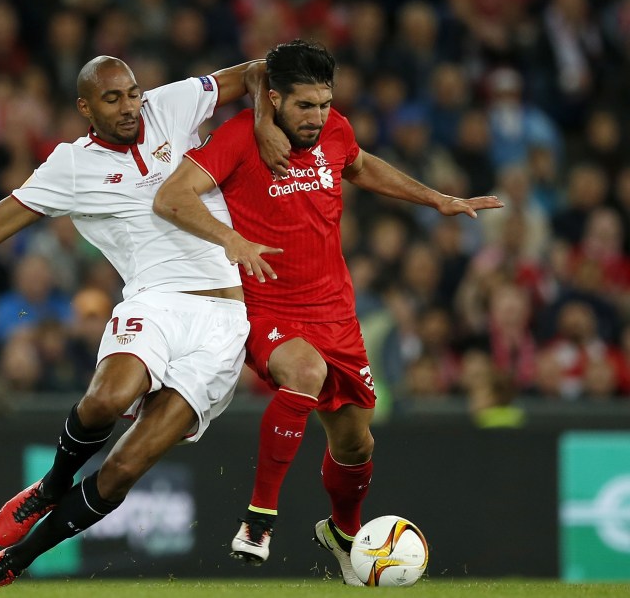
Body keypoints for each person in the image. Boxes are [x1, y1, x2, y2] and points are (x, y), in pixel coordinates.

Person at [0, 54, 289, 587]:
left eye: (133, 93)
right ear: (84, 107)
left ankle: (10, 564)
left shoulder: (172, 105)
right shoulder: (70, 165)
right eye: (112, 99)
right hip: (153, 301)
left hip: (224, 321)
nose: (130, 106)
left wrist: (264, 123)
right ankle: (51, 486)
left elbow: (260, 69)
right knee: (108, 399)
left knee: (122, 472)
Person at [154, 40, 503, 584]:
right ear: (273, 99)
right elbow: (172, 197)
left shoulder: (335, 128)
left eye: (323, 103)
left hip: (336, 314)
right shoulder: (239, 138)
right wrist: (232, 241)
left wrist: (436, 199)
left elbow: (360, 165)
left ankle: (344, 533)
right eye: (304, 106)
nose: (317, 117)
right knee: (306, 374)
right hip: (269, 305)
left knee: (356, 442)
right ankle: (258, 520)